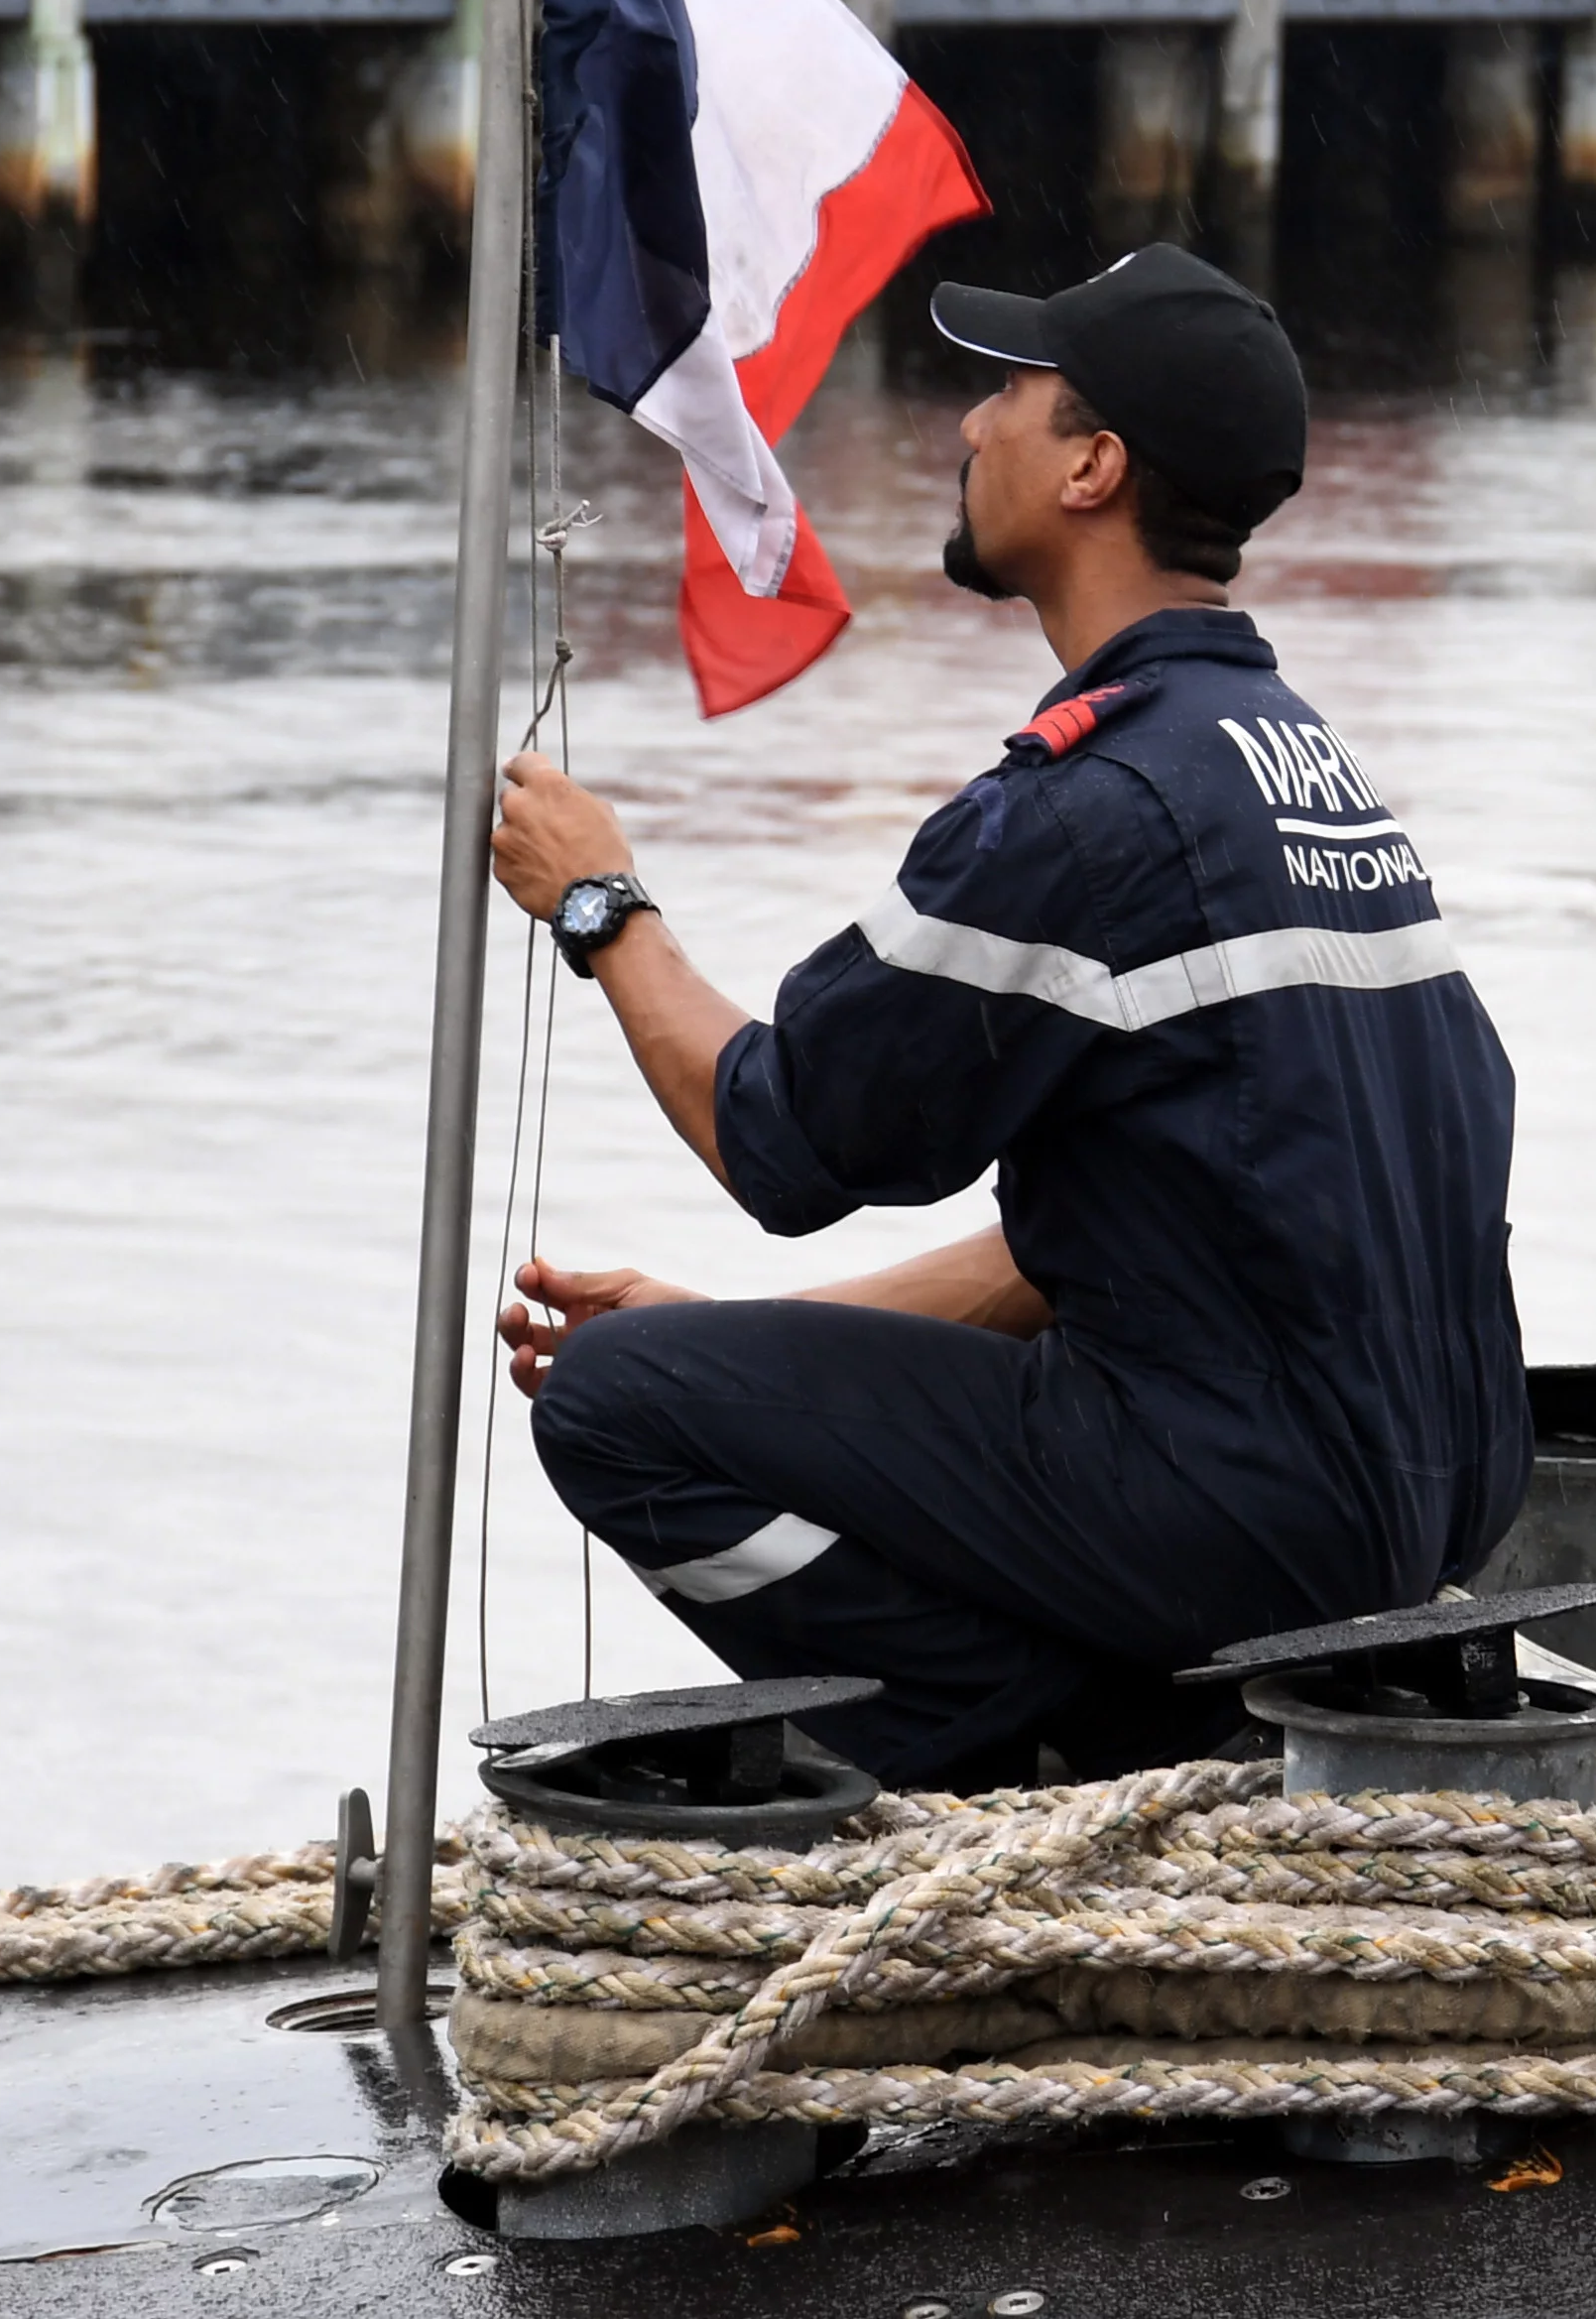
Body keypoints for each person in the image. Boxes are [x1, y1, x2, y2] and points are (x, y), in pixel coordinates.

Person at [486, 244, 1531, 1793]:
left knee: (622, 1407)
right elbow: (1102, 1249)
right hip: (1414, 1504)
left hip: (1249, 1529)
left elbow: (779, 1135)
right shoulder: (1299, 760)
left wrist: (601, 907)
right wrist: (744, 1337)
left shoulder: (1093, 807)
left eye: (1009, 398)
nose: (969, 430)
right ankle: (1120, 1697)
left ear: (1094, 467)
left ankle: (1027, 1738)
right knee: (685, 1363)